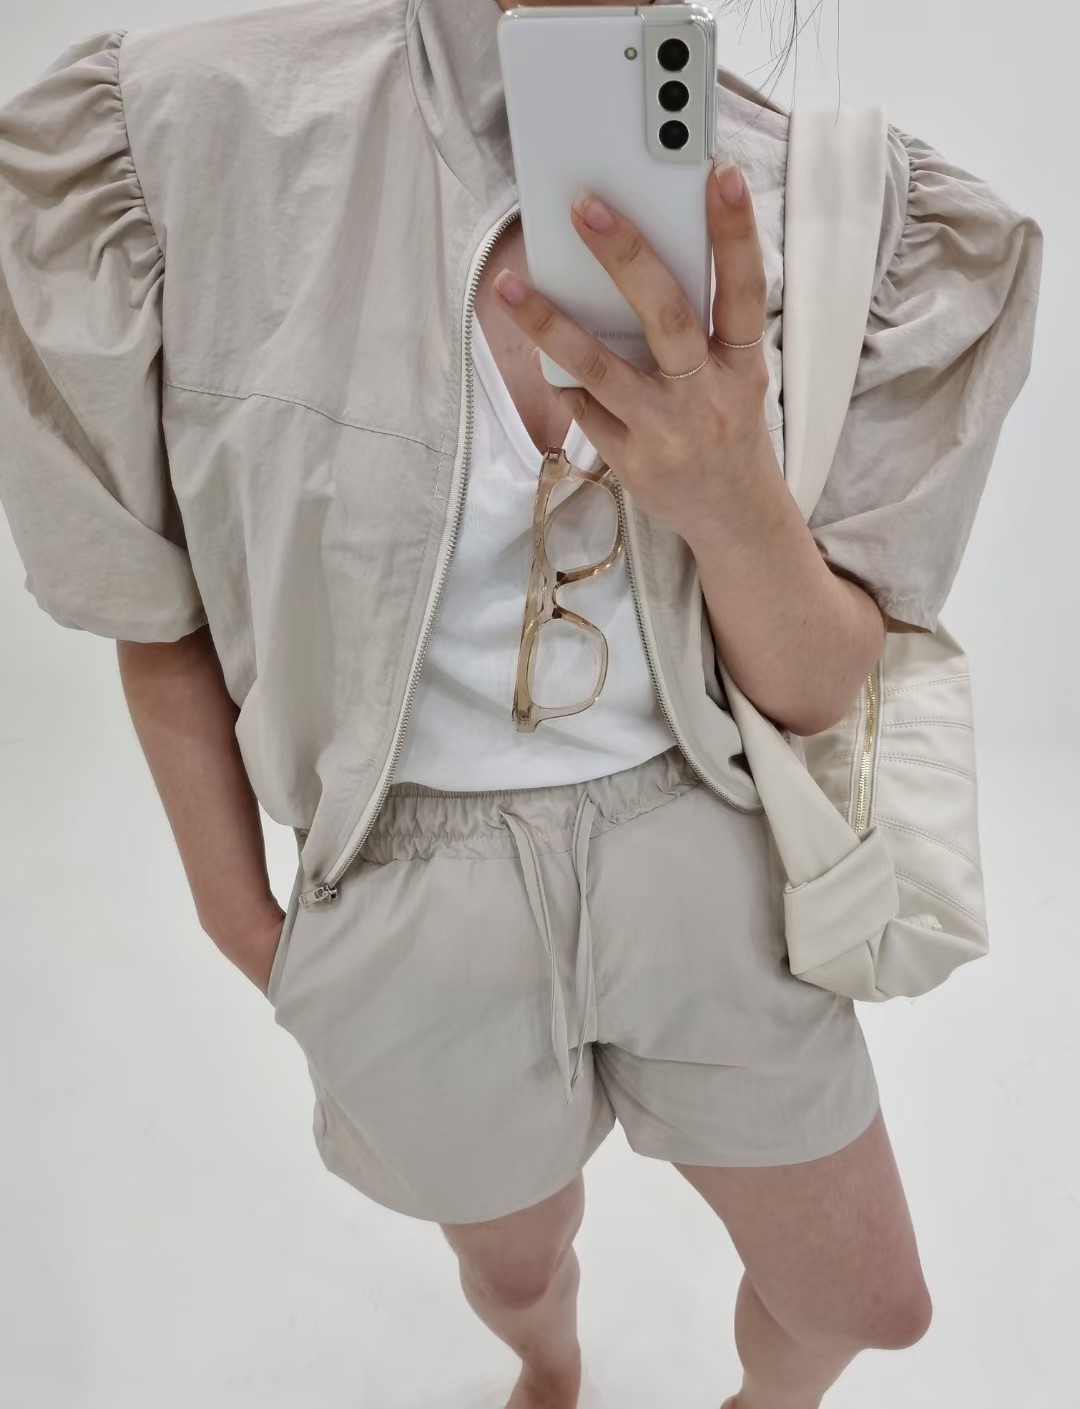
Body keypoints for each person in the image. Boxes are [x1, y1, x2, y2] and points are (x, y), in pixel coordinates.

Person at [0, 1, 1043, 1405]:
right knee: (517, 1260)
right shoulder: (187, 133)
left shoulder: (835, 204)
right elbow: (150, 597)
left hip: (702, 843)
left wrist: (732, 495)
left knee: (869, 1300)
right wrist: (241, 917)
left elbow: (817, 688)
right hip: (411, 877)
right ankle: (550, 1368)